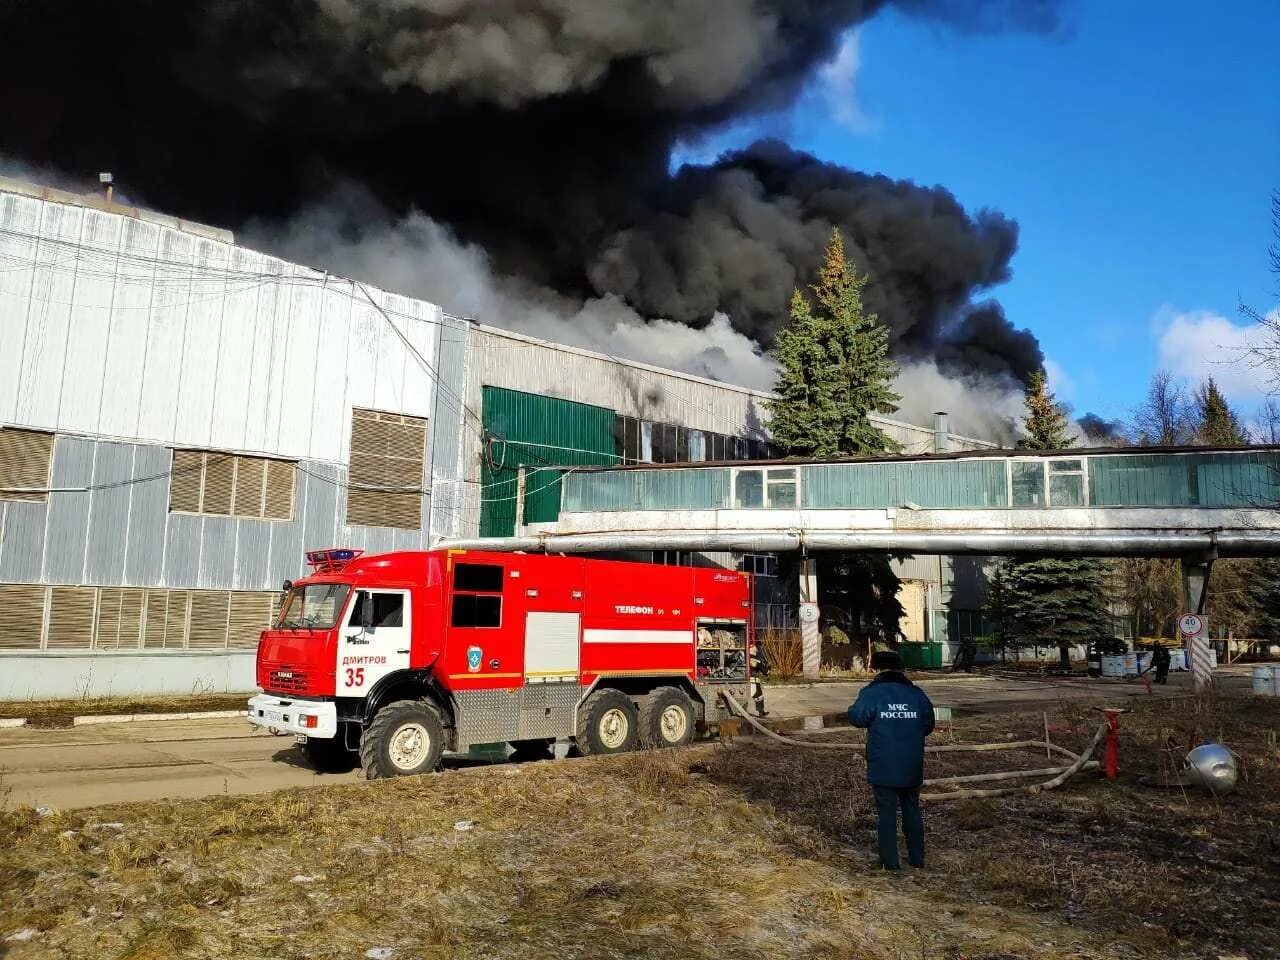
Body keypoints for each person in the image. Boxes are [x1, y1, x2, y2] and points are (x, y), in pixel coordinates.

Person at [848, 650, 936, 869]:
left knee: (886, 813)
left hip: (883, 762)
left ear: (877, 668)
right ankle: (917, 859)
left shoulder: (872, 693)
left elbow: (857, 717)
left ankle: (890, 862)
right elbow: (928, 725)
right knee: (912, 809)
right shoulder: (916, 694)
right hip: (911, 762)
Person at [748, 641, 768, 717]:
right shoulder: (755, 658)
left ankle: (761, 712)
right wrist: (766, 672)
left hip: (752, 679)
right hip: (753, 680)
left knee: (758, 695)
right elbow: (760, 666)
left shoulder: (749, 657)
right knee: (758, 695)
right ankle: (761, 713)